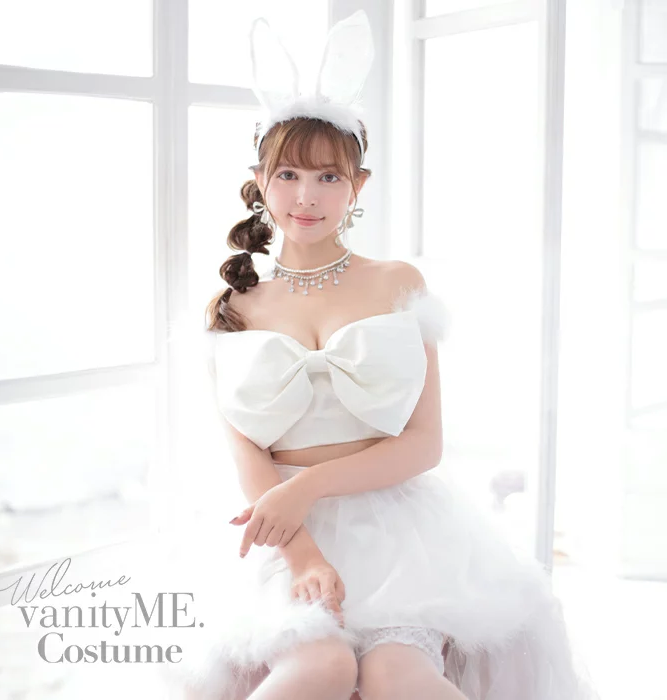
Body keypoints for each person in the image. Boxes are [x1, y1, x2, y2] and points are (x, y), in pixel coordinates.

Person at [168, 11, 600, 700]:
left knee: (398, 673)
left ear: (358, 186)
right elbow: (247, 453)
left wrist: (308, 485)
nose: (306, 196)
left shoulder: (398, 283)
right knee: (320, 666)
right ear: (259, 179)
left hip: (399, 533)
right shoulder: (234, 306)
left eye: (328, 177)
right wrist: (302, 549)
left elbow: (424, 443)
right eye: (288, 174)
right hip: (284, 534)